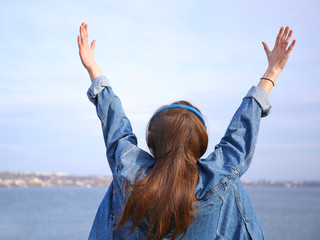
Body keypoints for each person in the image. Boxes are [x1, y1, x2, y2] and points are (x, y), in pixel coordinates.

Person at [77, 23, 296, 240]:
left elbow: (117, 130)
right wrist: (272, 72)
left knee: (120, 182)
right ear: (200, 144)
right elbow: (240, 136)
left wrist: (93, 69)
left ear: (152, 143)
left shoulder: (130, 175)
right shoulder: (215, 180)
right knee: (230, 185)